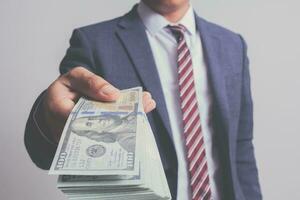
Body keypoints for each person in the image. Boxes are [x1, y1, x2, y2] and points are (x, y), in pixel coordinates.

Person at [24, 0, 262, 199]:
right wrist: (47, 118)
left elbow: (240, 146)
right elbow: (53, 128)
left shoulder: (232, 45)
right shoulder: (93, 42)